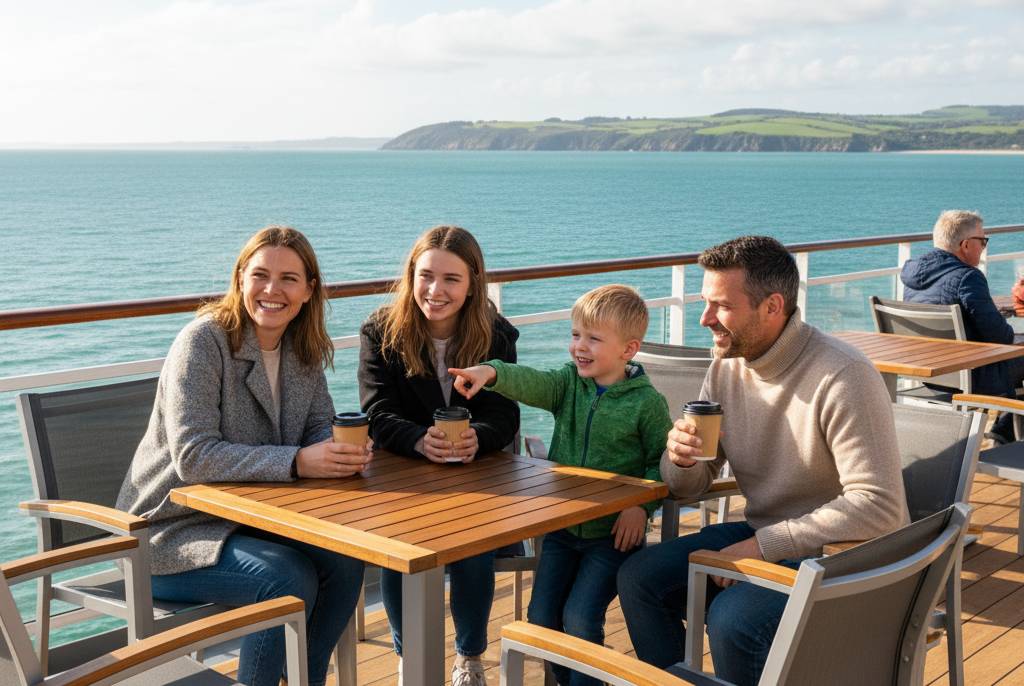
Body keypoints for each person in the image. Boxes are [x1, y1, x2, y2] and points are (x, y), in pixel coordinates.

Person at [616, 236, 909, 686]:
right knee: (640, 578)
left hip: (847, 556)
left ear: (772, 306)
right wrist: (681, 458)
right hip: (769, 534)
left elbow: (879, 506)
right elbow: (691, 485)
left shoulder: (842, 375)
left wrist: (761, 546)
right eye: (704, 302)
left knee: (737, 622)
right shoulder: (727, 365)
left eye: (721, 306)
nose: (704, 318)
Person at [116, 226, 369, 686]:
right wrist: (297, 462)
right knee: (285, 578)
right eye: (260, 275)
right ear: (239, 279)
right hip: (166, 533)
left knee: (345, 562)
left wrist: (335, 451)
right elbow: (193, 457)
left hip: (251, 521)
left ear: (310, 290)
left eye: (290, 278)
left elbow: (316, 424)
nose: (273, 290)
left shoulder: (302, 347)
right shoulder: (203, 342)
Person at [451, 284, 672, 686]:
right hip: (561, 531)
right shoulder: (568, 384)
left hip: (612, 537)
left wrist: (640, 506)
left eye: (593, 338)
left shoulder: (646, 404)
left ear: (628, 349)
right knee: (542, 618)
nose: (579, 347)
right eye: (575, 335)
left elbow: (663, 462)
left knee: (580, 617)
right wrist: (492, 372)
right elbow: (532, 381)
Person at [357, 225, 520, 686]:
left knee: (471, 543)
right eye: (426, 275)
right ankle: (411, 655)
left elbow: (504, 412)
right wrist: (417, 439)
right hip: (405, 476)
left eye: (452, 278)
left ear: (472, 284)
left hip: (478, 477)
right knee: (399, 547)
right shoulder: (380, 332)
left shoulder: (496, 334)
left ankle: (468, 657)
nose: (436, 290)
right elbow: (376, 411)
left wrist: (479, 438)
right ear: (411, 276)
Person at [901, 209, 1024, 443]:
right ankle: (1006, 433)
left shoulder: (912, 276)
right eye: (983, 241)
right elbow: (1001, 336)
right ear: (966, 245)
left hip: (932, 372)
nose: (984, 247)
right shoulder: (968, 277)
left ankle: (1005, 429)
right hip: (971, 375)